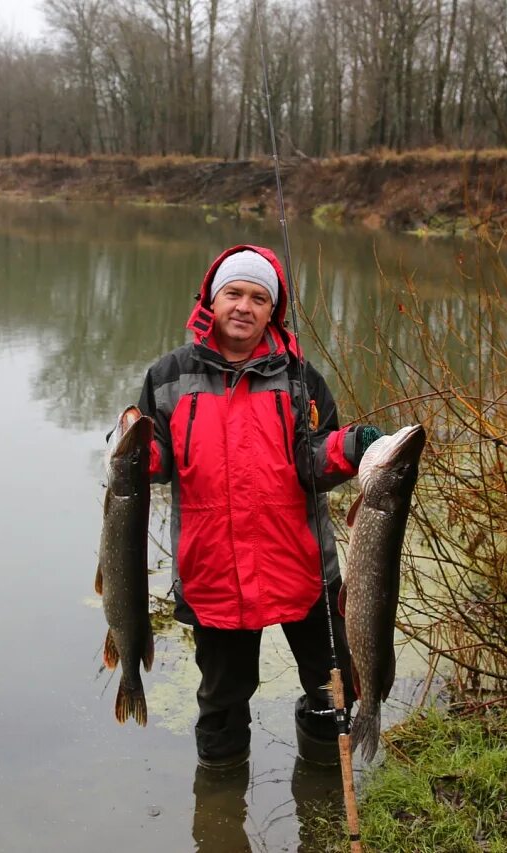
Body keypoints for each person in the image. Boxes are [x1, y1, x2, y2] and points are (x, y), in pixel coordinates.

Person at [136, 245, 382, 769]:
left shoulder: (301, 378)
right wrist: (131, 446)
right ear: (212, 300)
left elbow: (314, 460)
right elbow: (154, 462)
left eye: (258, 297)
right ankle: (221, 811)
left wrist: (348, 447)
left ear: (273, 310)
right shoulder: (168, 377)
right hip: (215, 573)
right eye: (234, 294)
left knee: (335, 691)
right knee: (222, 705)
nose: (244, 306)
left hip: (303, 567)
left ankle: (320, 778)